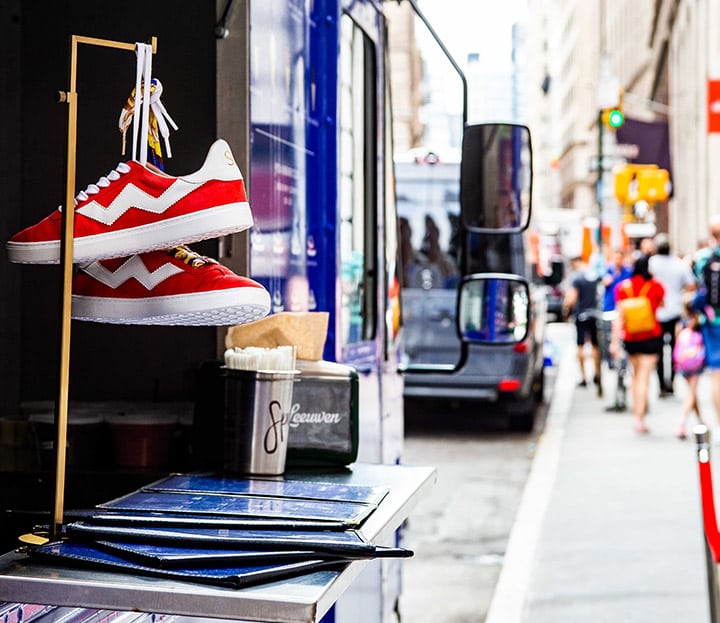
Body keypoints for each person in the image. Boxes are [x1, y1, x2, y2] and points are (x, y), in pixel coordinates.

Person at [610, 255, 665, 434]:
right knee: (644, 378)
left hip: (631, 338)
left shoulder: (623, 288)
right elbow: (662, 305)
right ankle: (640, 417)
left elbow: (619, 317)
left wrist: (614, 342)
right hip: (651, 336)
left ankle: (637, 413)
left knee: (635, 377)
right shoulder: (655, 286)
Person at [649, 233, 696, 396]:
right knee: (675, 349)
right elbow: (691, 285)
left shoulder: (652, 263)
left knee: (660, 351)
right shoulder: (679, 264)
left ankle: (662, 384)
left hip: (657, 313)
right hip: (675, 311)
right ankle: (672, 383)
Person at [692, 214, 720, 440]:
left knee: (716, 376)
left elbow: (697, 294)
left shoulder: (704, 260)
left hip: (713, 322)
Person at [562, 256, 602, 395]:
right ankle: (597, 374)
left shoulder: (576, 277)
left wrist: (566, 309)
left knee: (580, 345)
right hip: (594, 313)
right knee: (595, 345)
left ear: (575, 262)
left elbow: (571, 298)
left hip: (581, 315)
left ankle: (584, 377)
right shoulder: (592, 275)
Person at [673, 303, 705, 439]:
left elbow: (677, 345)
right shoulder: (700, 322)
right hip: (695, 364)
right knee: (691, 393)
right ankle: (682, 423)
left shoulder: (680, 325)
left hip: (683, 364)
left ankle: (700, 421)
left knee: (692, 393)